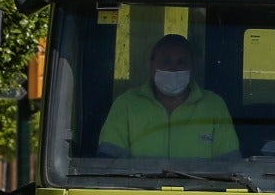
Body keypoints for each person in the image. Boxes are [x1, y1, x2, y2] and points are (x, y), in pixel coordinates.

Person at [97, 34, 240, 159]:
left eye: (181, 62)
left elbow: (230, 165)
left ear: (192, 67)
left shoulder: (213, 106)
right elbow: (108, 163)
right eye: (165, 61)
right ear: (152, 65)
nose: (172, 68)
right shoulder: (126, 104)